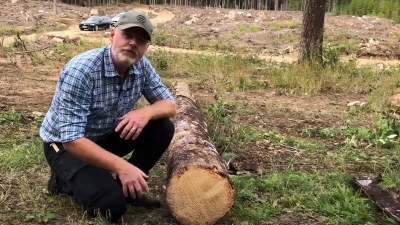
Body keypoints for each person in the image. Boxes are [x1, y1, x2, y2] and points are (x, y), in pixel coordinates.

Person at [39, 10, 176, 223]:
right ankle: (62, 180)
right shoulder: (82, 70)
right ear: (113, 35)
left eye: (140, 40)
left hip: (103, 137)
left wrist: (144, 112)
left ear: (146, 47)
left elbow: (169, 105)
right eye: (127, 35)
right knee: (110, 208)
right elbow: (72, 140)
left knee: (162, 127)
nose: (132, 43)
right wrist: (122, 166)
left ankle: (128, 191)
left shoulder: (141, 65)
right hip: (65, 145)